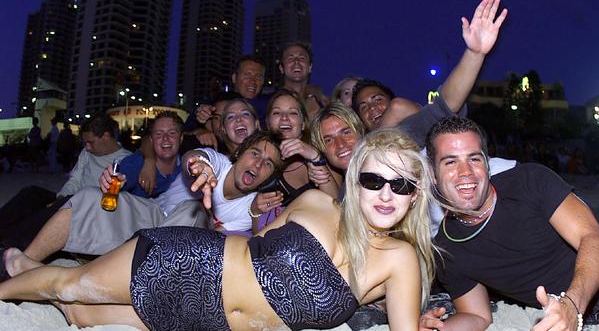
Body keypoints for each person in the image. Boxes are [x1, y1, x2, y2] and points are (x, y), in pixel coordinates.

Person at [0, 128, 436, 331]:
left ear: (415, 196)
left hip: (207, 322)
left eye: (401, 185)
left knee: (81, 314)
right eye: (374, 180)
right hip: (190, 263)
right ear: (356, 180)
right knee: (72, 285)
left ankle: (23, 262)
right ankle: (15, 272)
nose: (385, 194)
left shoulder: (399, 261)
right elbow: (252, 243)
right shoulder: (317, 202)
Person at [419, 116, 599, 330]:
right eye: (450, 162)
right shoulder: (446, 249)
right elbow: (478, 315)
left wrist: (571, 305)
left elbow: (593, 238)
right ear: (432, 173)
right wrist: (441, 328)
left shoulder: (527, 180)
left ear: (487, 164)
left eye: (474, 158)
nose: (465, 172)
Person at [9, 112, 186, 264]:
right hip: (80, 198)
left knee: (58, 210)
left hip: (94, 207)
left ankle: (13, 244)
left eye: (172, 133)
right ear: (151, 138)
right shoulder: (134, 161)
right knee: (32, 194)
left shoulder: (183, 168)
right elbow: (90, 178)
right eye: (159, 134)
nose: (165, 139)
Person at [351, 0, 507, 139]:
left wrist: (474, 54)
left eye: (377, 99)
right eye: (363, 106)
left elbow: (446, 104)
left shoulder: (411, 134)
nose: (372, 108)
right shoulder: (359, 154)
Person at [0, 114, 131, 252]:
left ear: (106, 136)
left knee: (45, 215)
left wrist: (63, 204)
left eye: (90, 142)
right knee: (31, 193)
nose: (87, 147)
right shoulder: (87, 153)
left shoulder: (126, 160)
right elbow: (74, 179)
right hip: (70, 197)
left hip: (90, 208)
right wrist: (60, 197)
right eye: (85, 143)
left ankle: (11, 243)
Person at [249, 90, 337, 233]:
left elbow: (335, 206)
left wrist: (314, 157)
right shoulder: (257, 160)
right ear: (268, 123)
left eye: (293, 113)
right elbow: (257, 234)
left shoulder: (323, 154)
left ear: (303, 124)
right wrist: (255, 210)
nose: (284, 118)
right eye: (277, 113)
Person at [278, 41, 328, 118]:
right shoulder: (269, 102)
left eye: (302, 58)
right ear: (281, 68)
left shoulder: (323, 104)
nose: (296, 61)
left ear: (310, 67)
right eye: (290, 58)